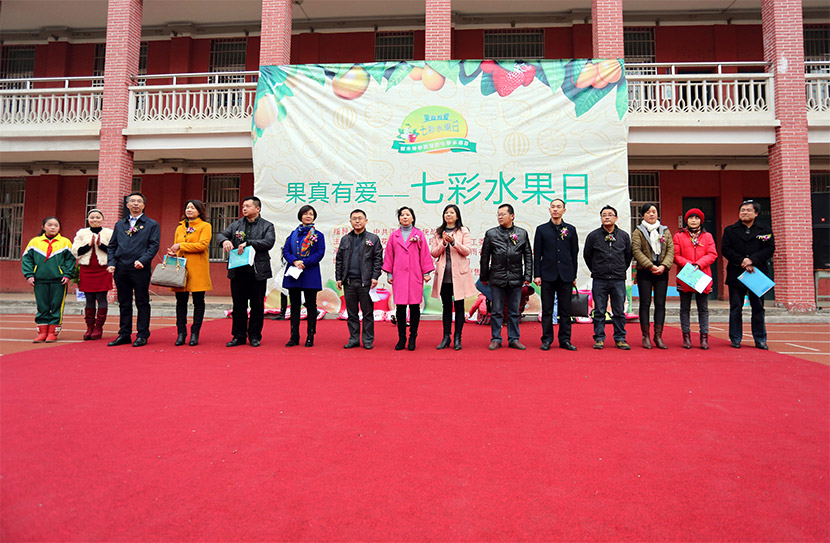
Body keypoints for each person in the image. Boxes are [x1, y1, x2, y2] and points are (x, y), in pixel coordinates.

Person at [216, 196, 275, 348]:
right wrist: (225, 241)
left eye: (248, 206)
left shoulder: (267, 226)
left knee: (257, 305)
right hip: (238, 271)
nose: (244, 208)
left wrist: (249, 243)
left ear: (258, 208)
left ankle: (254, 336)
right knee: (238, 305)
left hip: (257, 271)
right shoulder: (236, 225)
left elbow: (268, 242)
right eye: (243, 206)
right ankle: (238, 336)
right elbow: (220, 235)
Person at [106, 193, 161, 347]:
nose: (135, 204)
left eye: (139, 201)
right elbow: (112, 246)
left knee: (142, 301)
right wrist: (111, 262)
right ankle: (124, 334)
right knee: (124, 302)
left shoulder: (151, 224)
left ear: (143, 205)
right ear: (127, 205)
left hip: (140, 268)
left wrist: (143, 261)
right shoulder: (120, 225)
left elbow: (153, 245)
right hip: (121, 267)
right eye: (132, 201)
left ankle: (142, 334)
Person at [721, 200, 775, 350]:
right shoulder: (730, 230)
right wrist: (742, 261)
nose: (744, 213)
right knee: (736, 307)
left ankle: (760, 339)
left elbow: (769, 249)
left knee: (758, 307)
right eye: (742, 210)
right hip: (737, 273)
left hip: (757, 274)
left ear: (756, 213)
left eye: (748, 210)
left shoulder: (764, 229)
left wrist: (752, 260)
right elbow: (726, 249)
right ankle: (735, 338)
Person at [480, 203, 532, 351]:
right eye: (498, 215)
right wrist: (484, 277)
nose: (500, 217)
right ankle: (496, 339)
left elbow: (528, 256)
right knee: (496, 310)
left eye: (503, 214)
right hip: (497, 277)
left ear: (512, 216)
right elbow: (485, 257)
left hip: (516, 278)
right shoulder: (491, 234)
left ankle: (514, 339)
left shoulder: (522, 233)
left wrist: (527, 275)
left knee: (514, 311)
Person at [382, 206, 434, 351]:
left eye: (407, 214)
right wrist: (389, 274)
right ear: (399, 218)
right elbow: (389, 255)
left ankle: (412, 337)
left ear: (412, 218)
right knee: (400, 307)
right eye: (402, 215)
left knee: (414, 306)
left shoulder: (419, 234)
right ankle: (401, 337)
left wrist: (426, 272)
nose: (405, 217)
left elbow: (424, 254)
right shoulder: (394, 236)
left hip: (415, 275)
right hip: (399, 276)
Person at [583, 205, 632, 350]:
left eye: (610, 215)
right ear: (601, 218)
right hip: (600, 279)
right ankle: (599, 338)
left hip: (618, 279)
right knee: (599, 310)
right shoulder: (593, 236)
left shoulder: (623, 236)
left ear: (616, 218)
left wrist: (619, 269)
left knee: (619, 311)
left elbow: (628, 256)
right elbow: (587, 256)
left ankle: (620, 338)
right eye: (604, 215)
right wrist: (597, 270)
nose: (607, 217)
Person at [533, 198, 579, 351]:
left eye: (559, 207)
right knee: (547, 310)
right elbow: (537, 254)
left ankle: (565, 340)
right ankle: (547, 339)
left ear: (564, 210)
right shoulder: (542, 229)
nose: (555, 209)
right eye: (553, 206)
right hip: (547, 274)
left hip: (566, 275)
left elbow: (574, 254)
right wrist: (537, 274)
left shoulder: (570, 229)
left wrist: (573, 275)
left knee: (565, 310)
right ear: (549, 209)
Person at [429, 204, 477, 351]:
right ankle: (446, 337)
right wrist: (444, 243)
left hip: (459, 275)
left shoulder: (463, 231)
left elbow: (467, 251)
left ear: (457, 216)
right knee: (446, 307)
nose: (448, 215)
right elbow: (434, 253)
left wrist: (454, 242)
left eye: (451, 213)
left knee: (459, 306)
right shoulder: (439, 232)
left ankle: (458, 337)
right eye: (446, 213)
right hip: (444, 276)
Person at [335, 209, 383, 350]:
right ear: (350, 221)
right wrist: (339, 278)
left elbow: (378, 260)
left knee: (367, 313)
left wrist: (375, 277)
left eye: (360, 218)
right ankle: (354, 339)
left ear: (366, 221)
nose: (357, 221)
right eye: (354, 218)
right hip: (349, 282)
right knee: (352, 313)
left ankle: (367, 339)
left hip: (365, 283)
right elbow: (339, 260)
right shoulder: (345, 239)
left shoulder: (373, 239)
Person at [166, 200, 212, 346]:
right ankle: (181, 333)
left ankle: (195, 332)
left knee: (198, 301)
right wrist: (173, 252)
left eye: (193, 208)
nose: (189, 210)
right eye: (187, 207)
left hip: (198, 268)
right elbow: (176, 246)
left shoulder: (205, 226)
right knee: (180, 302)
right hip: (181, 268)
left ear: (199, 210)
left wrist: (181, 245)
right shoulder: (180, 227)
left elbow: (202, 245)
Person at [22, 217, 75, 342]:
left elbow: (70, 260)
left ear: (59, 228)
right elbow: (27, 259)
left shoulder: (65, 242)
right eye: (49, 225)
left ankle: (53, 332)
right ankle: (42, 332)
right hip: (39, 280)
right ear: (43, 227)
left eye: (56, 225)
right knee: (42, 305)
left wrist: (67, 275)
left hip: (59, 280)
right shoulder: (34, 242)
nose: (52, 227)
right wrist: (29, 275)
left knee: (57, 305)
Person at [631, 202, 675, 349]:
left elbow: (670, 250)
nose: (651, 214)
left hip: (662, 271)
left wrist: (663, 266)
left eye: (654, 211)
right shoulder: (638, 232)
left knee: (660, 304)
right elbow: (636, 251)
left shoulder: (665, 231)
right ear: (643, 215)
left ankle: (658, 336)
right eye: (648, 212)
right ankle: (646, 336)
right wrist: (650, 266)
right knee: (645, 303)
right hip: (645, 271)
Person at [673, 208, 718, 350]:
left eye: (696, 218)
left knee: (703, 309)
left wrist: (699, 264)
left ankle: (704, 338)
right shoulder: (678, 236)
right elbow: (675, 255)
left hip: (702, 276)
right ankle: (686, 338)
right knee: (684, 308)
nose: (693, 220)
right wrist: (689, 265)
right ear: (686, 220)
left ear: (701, 220)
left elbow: (712, 254)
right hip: (686, 276)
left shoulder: (708, 236)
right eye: (691, 218)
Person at [282, 205, 326, 347]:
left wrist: (304, 262)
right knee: (294, 306)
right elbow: (286, 251)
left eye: (311, 214)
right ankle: (294, 336)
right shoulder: (293, 234)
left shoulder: (318, 235)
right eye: (305, 214)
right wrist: (294, 261)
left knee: (311, 305)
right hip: (294, 272)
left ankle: (310, 336)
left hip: (310, 272)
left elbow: (320, 253)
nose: (308, 216)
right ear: (300, 216)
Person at [71, 209, 113, 340]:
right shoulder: (81, 233)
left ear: (103, 219)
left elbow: (114, 250)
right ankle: (89, 327)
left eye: (98, 217)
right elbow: (75, 251)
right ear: (88, 219)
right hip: (86, 269)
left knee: (101, 297)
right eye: (92, 217)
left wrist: (101, 245)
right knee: (89, 299)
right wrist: (89, 245)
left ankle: (98, 327)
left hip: (103, 269)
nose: (95, 220)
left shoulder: (109, 233)